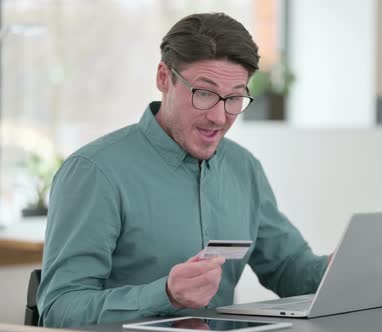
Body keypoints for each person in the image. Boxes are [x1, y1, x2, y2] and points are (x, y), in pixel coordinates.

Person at [37, 13, 330, 328]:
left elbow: (291, 271)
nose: (219, 117)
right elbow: (59, 309)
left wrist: (343, 268)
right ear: (164, 77)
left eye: (234, 98)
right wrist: (166, 295)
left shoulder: (243, 168)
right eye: (204, 93)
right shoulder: (95, 173)